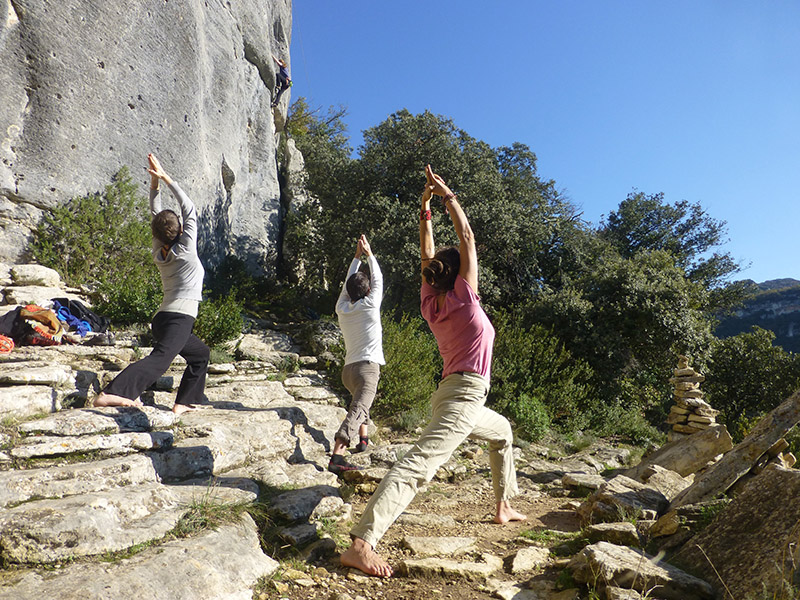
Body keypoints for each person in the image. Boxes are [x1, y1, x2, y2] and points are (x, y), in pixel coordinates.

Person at [340, 165, 526, 577]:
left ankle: (503, 505)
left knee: (503, 433)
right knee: (417, 466)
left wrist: (424, 209)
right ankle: (362, 543)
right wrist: (448, 197)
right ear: (458, 274)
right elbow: (467, 239)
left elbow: (429, 255)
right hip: (461, 397)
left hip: (459, 395)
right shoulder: (464, 296)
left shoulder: (431, 300)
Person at [94, 154, 209, 414]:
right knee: (160, 360)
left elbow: (156, 216)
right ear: (180, 230)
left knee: (200, 354)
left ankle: (185, 401)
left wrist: (155, 185)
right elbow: (188, 206)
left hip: (163, 319)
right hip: (179, 318)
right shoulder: (187, 249)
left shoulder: (161, 250)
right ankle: (112, 393)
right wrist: (165, 178)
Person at [329, 235, 385, 476]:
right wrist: (369, 254)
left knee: (360, 403)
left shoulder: (342, 308)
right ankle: (338, 455)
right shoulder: (371, 305)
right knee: (360, 408)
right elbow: (379, 277)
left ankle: (363, 440)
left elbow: (345, 285)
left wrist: (356, 257)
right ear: (369, 290)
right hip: (367, 369)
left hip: (348, 371)